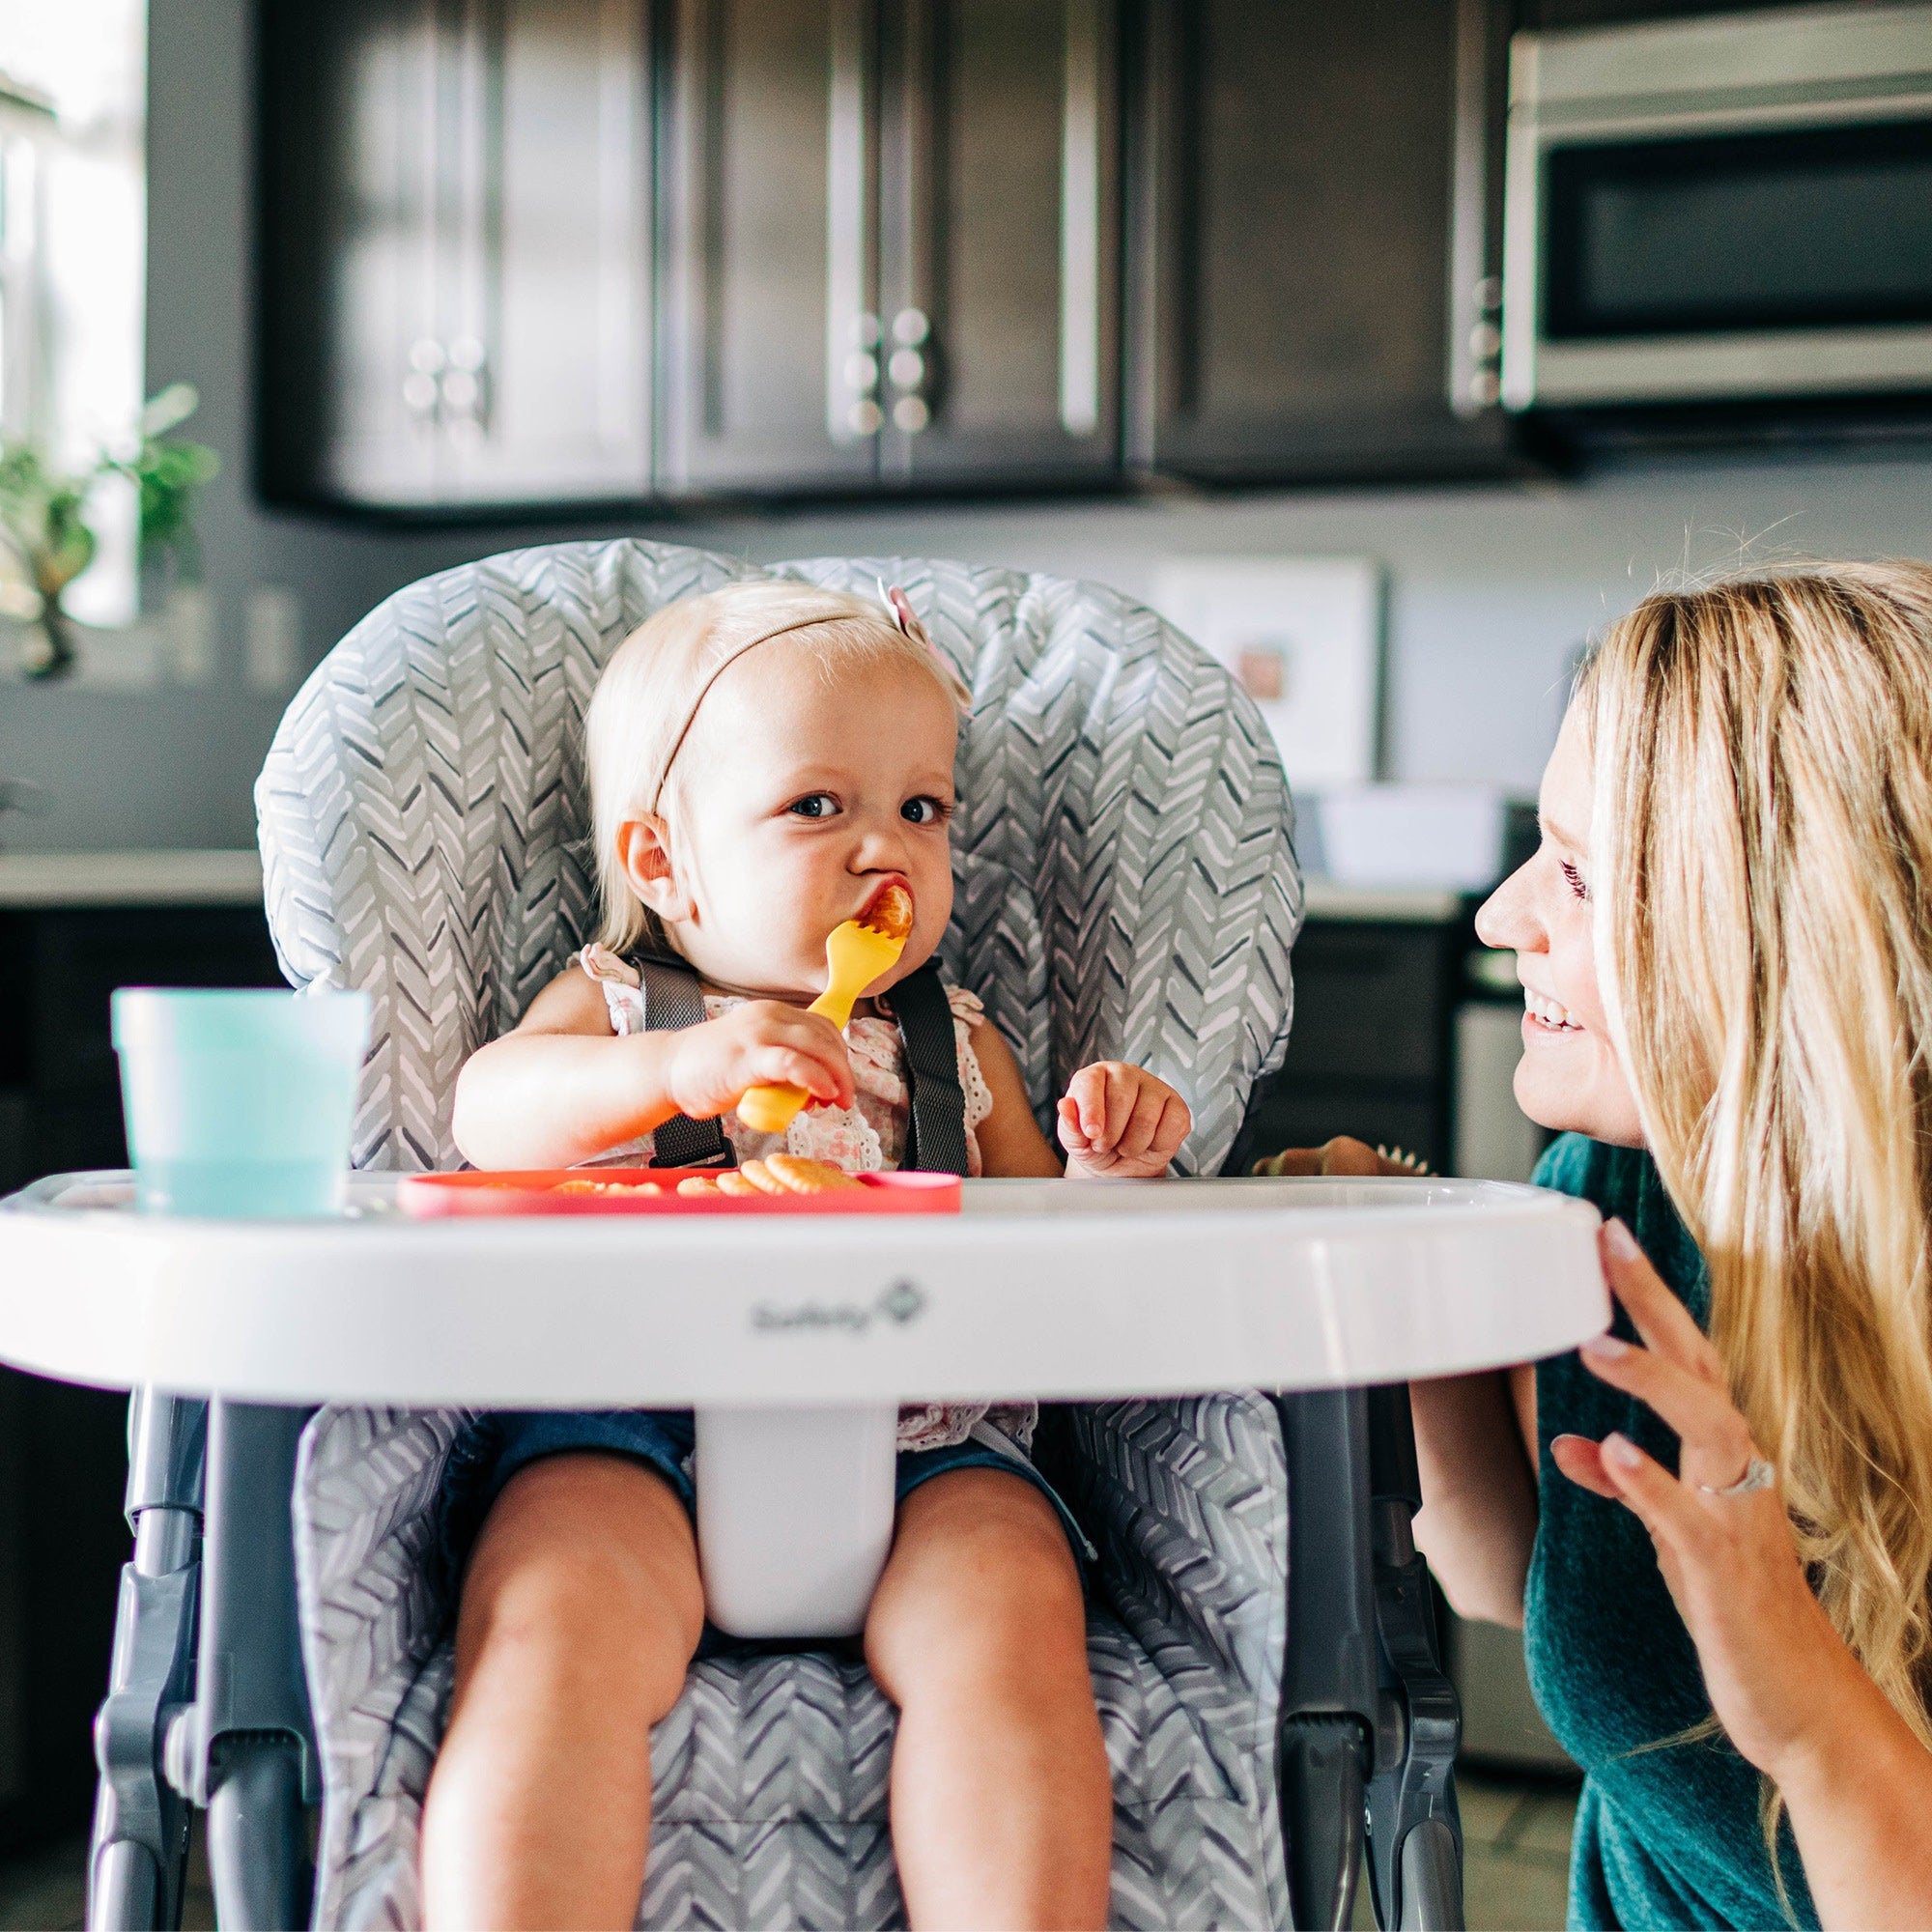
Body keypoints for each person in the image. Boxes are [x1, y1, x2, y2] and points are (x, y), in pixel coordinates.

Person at [418, 580, 1191, 1931]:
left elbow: (1054, 1262)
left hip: (925, 1448)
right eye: (817, 807)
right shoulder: (621, 1010)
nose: (883, 851)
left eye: (922, 810)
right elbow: (487, 1114)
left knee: (1013, 1616)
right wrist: (678, 1068)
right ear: (661, 863)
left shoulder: (956, 1044)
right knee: (550, 1621)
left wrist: (1107, 1171)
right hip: (633, 1434)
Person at [1406, 565, 1932, 1928]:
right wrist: (1406, 1286)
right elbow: (1506, 1578)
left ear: (1776, 932)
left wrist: (1808, 1707)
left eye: (1576, 876)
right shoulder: (1615, 1204)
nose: (1501, 916)